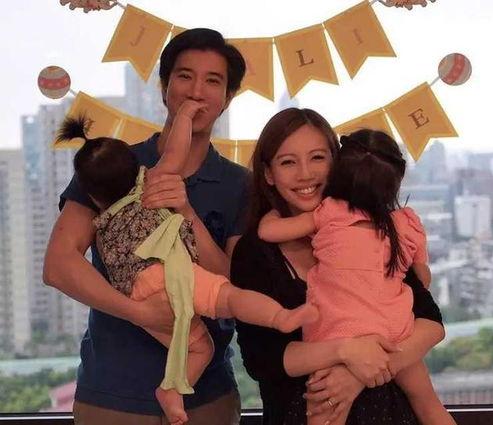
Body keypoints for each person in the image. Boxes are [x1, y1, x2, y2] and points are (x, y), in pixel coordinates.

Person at [56, 110, 317, 425]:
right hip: (177, 273)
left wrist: (139, 312)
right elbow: (176, 151)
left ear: (92, 196)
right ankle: (280, 317)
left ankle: (171, 391)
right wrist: (184, 116)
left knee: (199, 349)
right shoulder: (150, 187)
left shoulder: (103, 223)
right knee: (231, 298)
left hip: (141, 292)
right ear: (137, 169)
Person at [44, 28, 250, 425]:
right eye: (185, 76)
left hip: (206, 398)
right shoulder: (113, 164)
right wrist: (139, 312)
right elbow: (58, 266)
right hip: (112, 397)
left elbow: (235, 284)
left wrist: (186, 213)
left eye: (213, 81)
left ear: (227, 98)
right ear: (164, 87)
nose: (197, 91)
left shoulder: (239, 184)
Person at [231, 108, 447, 425]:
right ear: (268, 174)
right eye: (288, 162)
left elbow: (431, 323)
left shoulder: (379, 226)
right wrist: (346, 352)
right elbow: (262, 360)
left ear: (338, 162)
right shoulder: (255, 253)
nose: (305, 173)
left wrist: (362, 372)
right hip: (301, 411)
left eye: (318, 158)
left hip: (392, 413)